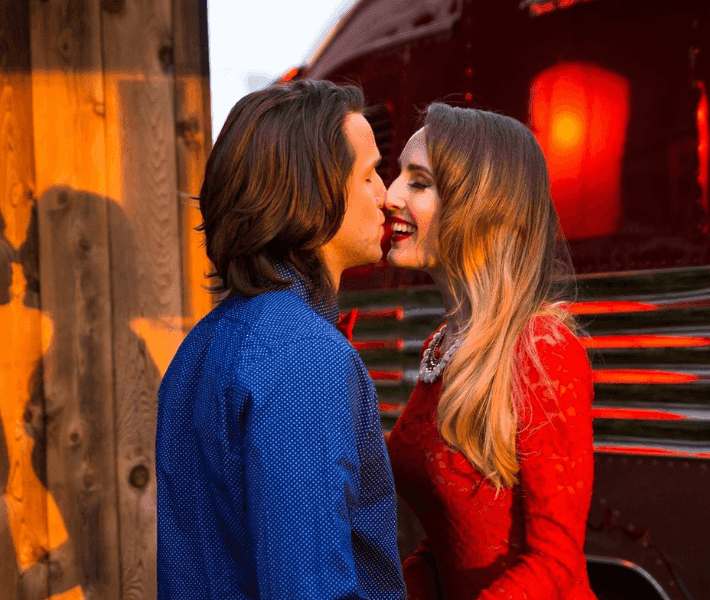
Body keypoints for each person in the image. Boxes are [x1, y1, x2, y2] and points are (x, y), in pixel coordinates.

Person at [156, 80, 406, 600]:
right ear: (311, 195)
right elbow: (308, 587)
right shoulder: (305, 360)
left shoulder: (199, 347)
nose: (387, 194)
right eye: (368, 176)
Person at [384, 103, 597, 600]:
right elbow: (450, 536)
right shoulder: (446, 342)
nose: (390, 195)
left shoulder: (543, 348)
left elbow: (554, 562)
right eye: (398, 177)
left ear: (481, 204)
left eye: (418, 182)